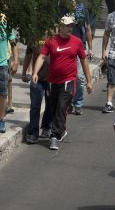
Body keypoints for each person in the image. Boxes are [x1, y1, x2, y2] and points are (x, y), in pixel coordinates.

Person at [31, 16, 93, 150]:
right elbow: (42, 56)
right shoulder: (51, 41)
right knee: (53, 108)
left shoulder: (77, 42)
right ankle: (61, 129)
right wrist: (35, 73)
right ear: (61, 27)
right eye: (67, 25)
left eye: (72, 25)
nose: (70, 28)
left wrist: (88, 81)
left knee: (61, 106)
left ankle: (55, 136)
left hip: (69, 81)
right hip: (52, 82)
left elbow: (84, 61)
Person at [0, 14, 18, 133]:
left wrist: (16, 60)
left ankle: (1, 120)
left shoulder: (4, 19)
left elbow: (13, 42)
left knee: (2, 94)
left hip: (2, 64)